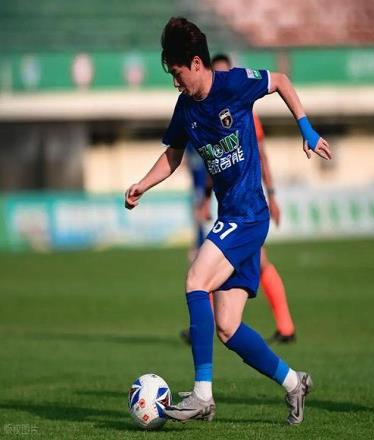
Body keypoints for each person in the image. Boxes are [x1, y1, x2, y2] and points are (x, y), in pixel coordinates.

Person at [125, 17, 331, 424]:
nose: (175, 83)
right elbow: (173, 154)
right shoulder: (186, 109)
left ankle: (203, 395)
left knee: (194, 280)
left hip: (249, 215)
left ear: (196, 63)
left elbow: (281, 81)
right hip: (232, 217)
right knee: (228, 327)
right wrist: (143, 185)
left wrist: (306, 130)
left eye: (178, 74)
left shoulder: (234, 84)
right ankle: (294, 382)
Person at [182, 53, 296, 344]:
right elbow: (215, 165)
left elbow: (262, 157)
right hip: (229, 209)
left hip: (249, 209)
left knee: (231, 262)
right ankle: (208, 325)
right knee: (213, 264)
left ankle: (284, 325)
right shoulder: (204, 113)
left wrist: (272, 195)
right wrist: (206, 198)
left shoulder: (244, 111)